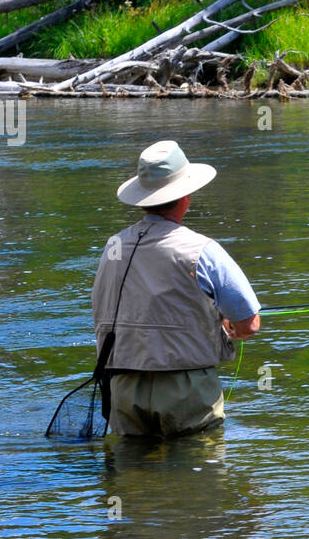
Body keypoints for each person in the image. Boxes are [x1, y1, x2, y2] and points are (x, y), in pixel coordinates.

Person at [91, 140, 260, 436]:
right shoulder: (202, 250)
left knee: (132, 476)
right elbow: (249, 323)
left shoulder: (112, 247)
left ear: (142, 199)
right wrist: (230, 326)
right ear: (186, 197)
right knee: (198, 473)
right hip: (186, 389)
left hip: (122, 388)